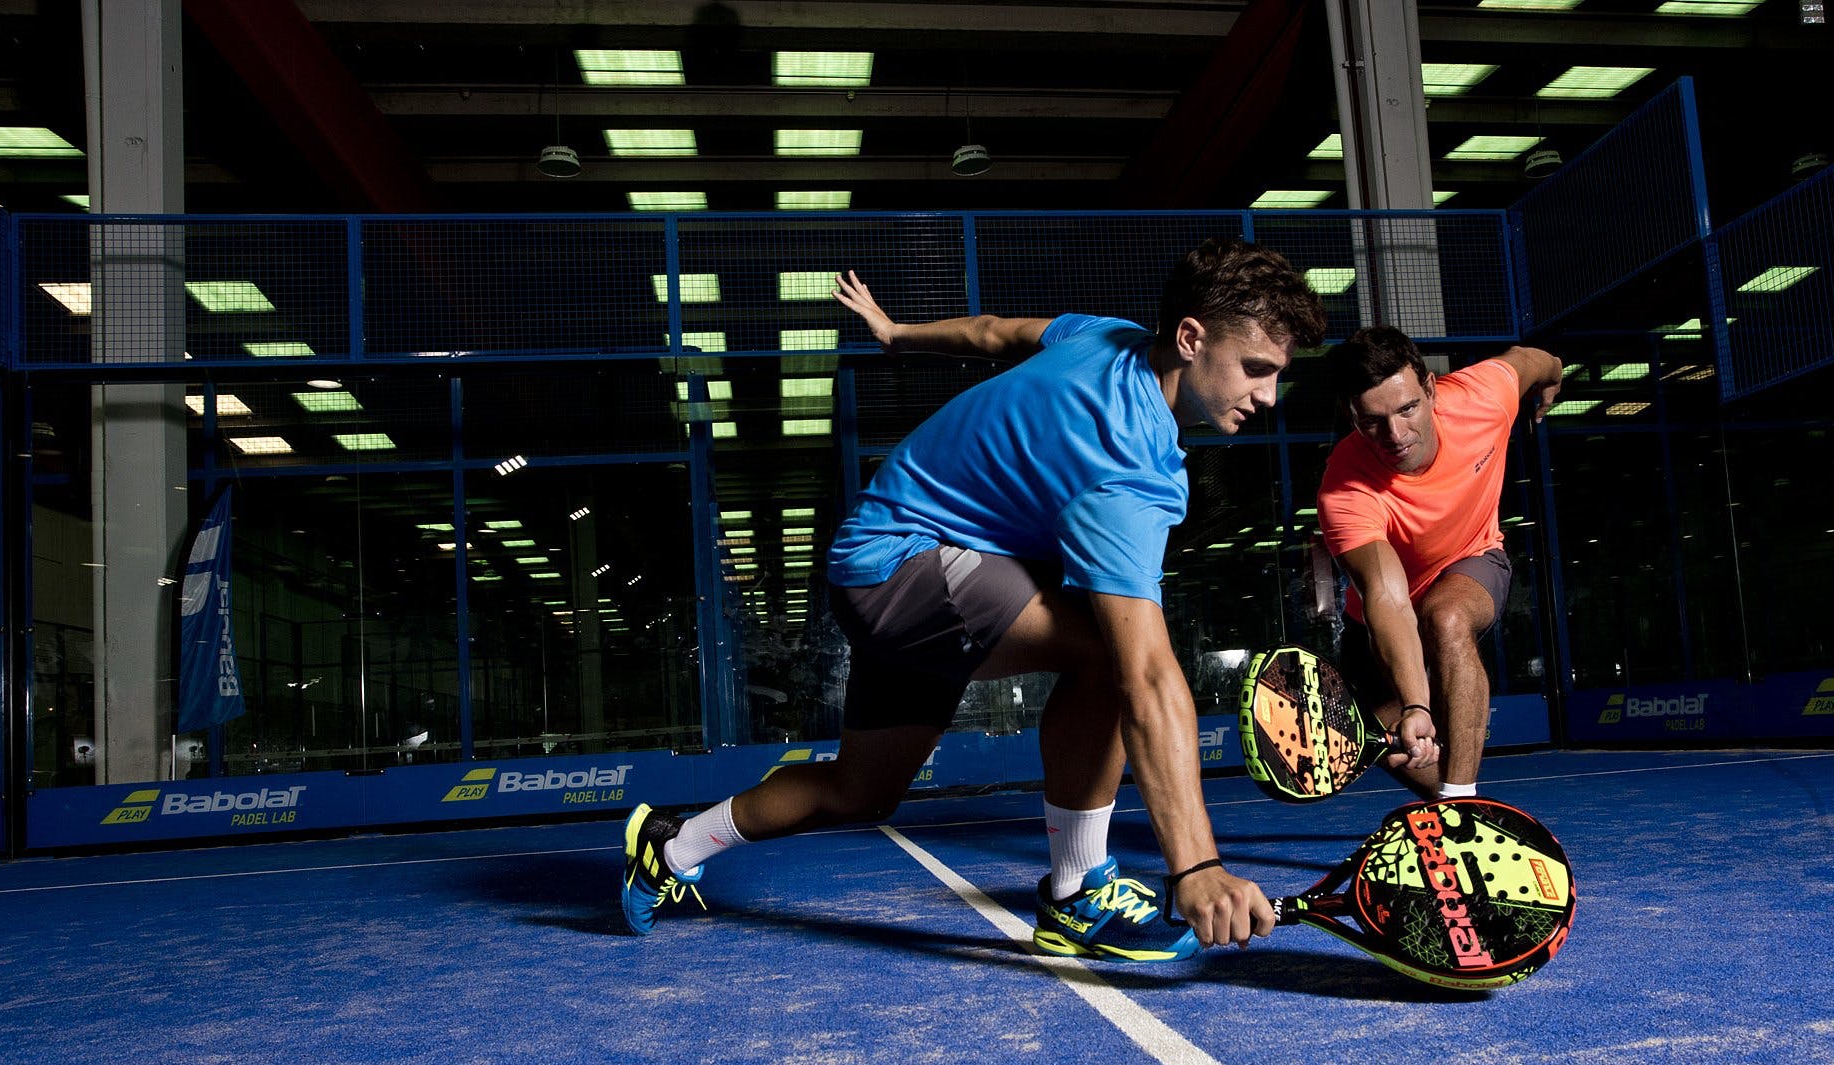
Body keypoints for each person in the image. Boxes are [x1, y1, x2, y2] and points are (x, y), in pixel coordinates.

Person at [622, 239, 1328, 959]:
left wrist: (898, 335)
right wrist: (1197, 868)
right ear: (1190, 338)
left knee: (860, 791)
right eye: (1257, 369)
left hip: (891, 564)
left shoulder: (1105, 335)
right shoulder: (1125, 464)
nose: (1269, 395)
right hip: (904, 566)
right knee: (1105, 653)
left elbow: (993, 332)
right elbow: (1145, 674)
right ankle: (1076, 890)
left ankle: (673, 843)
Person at [1317, 326, 1562, 800]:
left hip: (1472, 559)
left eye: (1408, 408)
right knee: (1384, 744)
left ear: (1430, 389)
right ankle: (1463, 802)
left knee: (1446, 617)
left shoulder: (1483, 397)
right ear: (1352, 416)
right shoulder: (1343, 489)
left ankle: (1460, 806)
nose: (1396, 434)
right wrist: (1415, 705)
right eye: (1373, 420)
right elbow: (1386, 599)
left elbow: (1533, 357)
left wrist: (1553, 377)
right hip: (1384, 612)